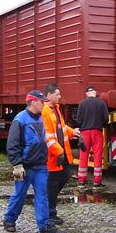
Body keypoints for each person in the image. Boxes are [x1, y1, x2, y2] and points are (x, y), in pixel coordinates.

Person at [3, 90, 62, 233]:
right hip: (25, 166)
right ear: (34, 102)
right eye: (42, 102)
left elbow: (45, 139)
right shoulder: (20, 120)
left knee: (42, 196)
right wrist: (17, 165)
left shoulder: (41, 118)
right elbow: (12, 144)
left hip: (41, 165)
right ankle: (9, 220)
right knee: (20, 195)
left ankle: (44, 226)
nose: (44, 104)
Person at [42, 84, 80, 225]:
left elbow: (60, 128)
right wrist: (59, 152)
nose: (60, 96)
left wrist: (72, 132)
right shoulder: (45, 112)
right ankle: (50, 214)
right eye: (57, 94)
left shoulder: (56, 110)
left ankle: (48, 207)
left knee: (63, 178)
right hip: (53, 158)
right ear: (49, 95)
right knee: (52, 185)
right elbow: (48, 136)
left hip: (60, 156)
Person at [76, 86, 109, 189]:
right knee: (98, 156)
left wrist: (82, 127)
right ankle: (97, 182)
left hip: (85, 132)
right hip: (97, 132)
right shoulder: (102, 103)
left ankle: (81, 181)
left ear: (86, 93)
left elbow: (79, 120)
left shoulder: (82, 103)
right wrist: (101, 125)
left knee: (83, 156)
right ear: (95, 93)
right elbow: (106, 119)